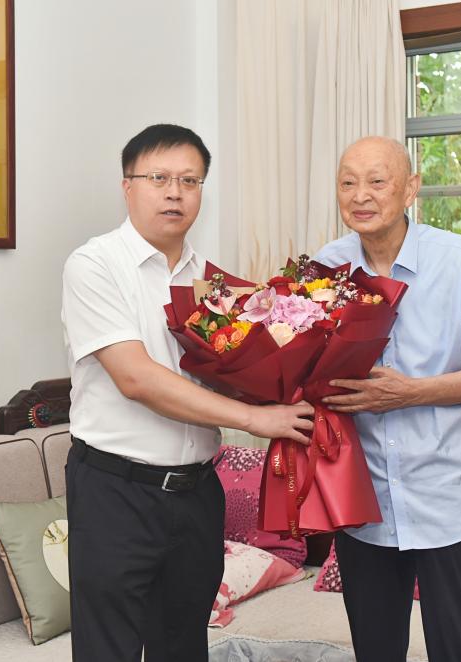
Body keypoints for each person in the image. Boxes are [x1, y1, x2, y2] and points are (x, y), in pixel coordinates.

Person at [61, 123, 314, 662]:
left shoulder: (213, 283)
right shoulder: (94, 265)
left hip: (198, 492)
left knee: (183, 646)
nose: (174, 192)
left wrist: (291, 376)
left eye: (190, 181)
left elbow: (232, 373)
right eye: (159, 178)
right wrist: (256, 420)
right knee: (108, 650)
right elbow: (136, 378)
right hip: (115, 490)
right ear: (128, 186)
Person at [314, 136, 461, 662]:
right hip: (364, 504)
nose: (360, 195)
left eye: (376, 181)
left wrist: (409, 393)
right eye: (347, 182)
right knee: (375, 651)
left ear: (410, 189)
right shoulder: (324, 270)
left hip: (448, 499)